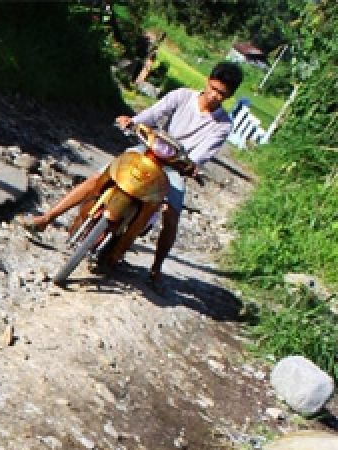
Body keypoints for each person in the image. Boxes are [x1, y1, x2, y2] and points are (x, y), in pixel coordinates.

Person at [22, 62, 243, 290]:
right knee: (99, 177)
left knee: (171, 214)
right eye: (214, 88)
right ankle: (46, 219)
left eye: (222, 94)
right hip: (150, 151)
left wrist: (192, 166)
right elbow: (154, 113)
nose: (215, 96)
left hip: (176, 167)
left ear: (229, 96)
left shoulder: (223, 126)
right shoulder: (182, 96)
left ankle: (156, 268)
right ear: (207, 81)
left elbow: (201, 155)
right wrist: (133, 122)